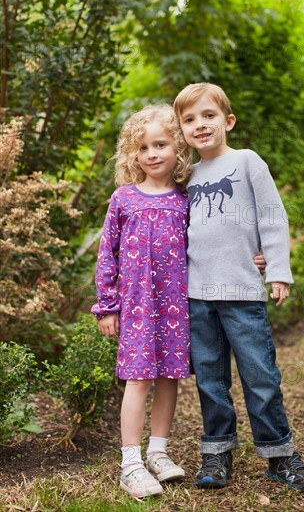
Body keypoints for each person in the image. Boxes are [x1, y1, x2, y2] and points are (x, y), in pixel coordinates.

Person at [173, 82, 304, 491]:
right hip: (198, 296)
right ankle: (216, 453)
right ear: (182, 129)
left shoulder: (247, 161)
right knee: (210, 380)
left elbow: (273, 216)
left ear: (228, 121)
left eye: (208, 116)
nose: (200, 125)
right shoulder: (187, 176)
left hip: (241, 294)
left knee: (259, 376)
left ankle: (279, 455)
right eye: (189, 120)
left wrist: (277, 268)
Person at [91, 105, 193, 499]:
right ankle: (130, 462)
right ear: (133, 155)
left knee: (169, 377)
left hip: (174, 307)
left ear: (177, 149)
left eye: (161, 144)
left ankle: (158, 451)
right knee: (139, 379)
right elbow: (107, 254)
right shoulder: (123, 199)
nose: (152, 153)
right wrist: (107, 305)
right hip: (135, 307)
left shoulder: (185, 200)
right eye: (143, 147)